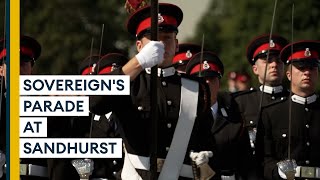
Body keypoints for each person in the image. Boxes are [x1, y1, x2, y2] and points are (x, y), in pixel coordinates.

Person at [89, 3, 214, 179]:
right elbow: (95, 102)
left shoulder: (195, 88)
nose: (161, 44)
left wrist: (203, 160)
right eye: (154, 39)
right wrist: (137, 63)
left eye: (167, 38)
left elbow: (206, 139)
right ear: (140, 46)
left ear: (176, 44)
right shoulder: (129, 82)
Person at [256, 40, 320, 180]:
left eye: (312, 67)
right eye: (301, 68)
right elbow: (263, 160)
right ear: (289, 75)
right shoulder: (271, 113)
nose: (307, 73)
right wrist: (278, 172)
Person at [185, 51, 251, 180]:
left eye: (212, 78)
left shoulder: (234, 118)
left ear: (219, 83)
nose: (207, 83)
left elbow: (246, 162)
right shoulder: (184, 116)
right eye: (202, 79)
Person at [232, 34, 290, 179]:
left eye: (278, 60)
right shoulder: (240, 103)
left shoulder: (294, 101)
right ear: (255, 69)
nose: (274, 65)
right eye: (267, 60)